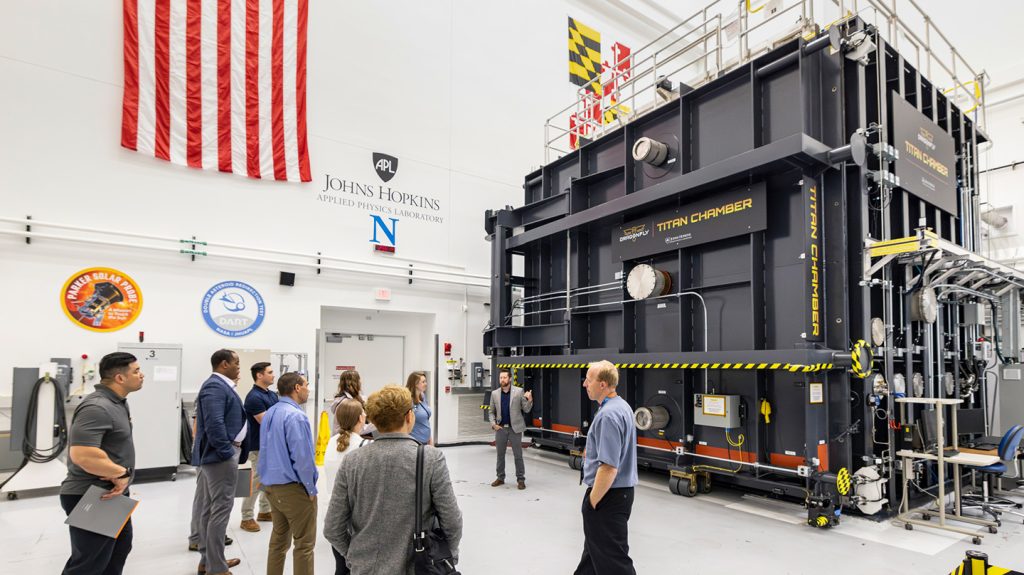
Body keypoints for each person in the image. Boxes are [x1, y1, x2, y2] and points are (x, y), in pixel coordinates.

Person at [324, 385, 462, 575]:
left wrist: (354, 557)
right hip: (417, 567)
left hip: (365, 568)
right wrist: (447, 556)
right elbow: (452, 521)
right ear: (408, 417)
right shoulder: (430, 459)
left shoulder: (352, 461)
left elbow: (332, 527)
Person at [59, 352, 143, 575]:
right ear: (120, 378)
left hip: (111, 495)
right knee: (88, 565)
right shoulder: (98, 407)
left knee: (118, 551)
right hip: (93, 494)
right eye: (136, 371)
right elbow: (83, 454)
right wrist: (121, 472)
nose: (141, 375)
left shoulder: (118, 403)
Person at [574, 360, 638, 575]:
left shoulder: (608, 415)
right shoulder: (621, 406)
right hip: (620, 494)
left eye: (589, 380)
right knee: (593, 555)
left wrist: (592, 502)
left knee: (614, 562)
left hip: (607, 497)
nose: (585, 384)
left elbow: (609, 467)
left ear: (602, 384)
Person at [192, 349, 249, 575]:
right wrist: (227, 452)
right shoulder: (215, 386)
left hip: (218, 456)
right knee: (220, 510)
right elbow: (214, 424)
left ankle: (209, 561)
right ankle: (216, 567)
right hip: (220, 457)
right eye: (236, 362)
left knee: (210, 508)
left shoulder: (220, 386)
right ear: (224, 364)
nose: (238, 366)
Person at [258, 372, 318, 575]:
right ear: (297, 388)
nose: (309, 389)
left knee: (278, 542)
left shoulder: (270, 413)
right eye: (307, 385)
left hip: (272, 488)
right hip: (294, 490)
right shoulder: (296, 416)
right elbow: (303, 458)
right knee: (304, 544)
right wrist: (310, 488)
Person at [323, 399, 367, 575]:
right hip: (357, 520)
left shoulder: (331, 442)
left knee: (341, 567)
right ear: (360, 419)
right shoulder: (363, 446)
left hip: (336, 516)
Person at [239, 362, 278, 532]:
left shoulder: (271, 394)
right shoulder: (254, 397)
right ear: (259, 375)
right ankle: (246, 517)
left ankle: (264, 510)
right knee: (257, 480)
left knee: (268, 478)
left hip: (270, 445)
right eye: (270, 372)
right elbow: (266, 421)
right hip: (257, 445)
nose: (273, 375)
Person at [489, 368, 533, 489]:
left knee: (518, 455)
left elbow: (526, 409)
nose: (502, 380)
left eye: (504, 377)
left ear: (510, 378)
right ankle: (500, 478)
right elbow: (491, 412)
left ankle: (520, 479)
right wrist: (493, 424)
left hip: (515, 429)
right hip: (501, 429)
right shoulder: (495, 394)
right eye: (500, 377)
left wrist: (529, 399)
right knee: (500, 455)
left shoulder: (519, 392)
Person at [331, 370, 376, 437]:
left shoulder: (347, 399)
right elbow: (357, 429)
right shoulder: (347, 403)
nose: (361, 383)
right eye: (359, 380)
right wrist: (377, 425)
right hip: (346, 440)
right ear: (356, 383)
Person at [406, 371, 431, 445]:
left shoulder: (422, 396)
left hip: (426, 440)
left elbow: (426, 421)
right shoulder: (408, 400)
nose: (426, 384)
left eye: (425, 381)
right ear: (415, 384)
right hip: (414, 442)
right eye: (423, 382)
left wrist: (430, 440)